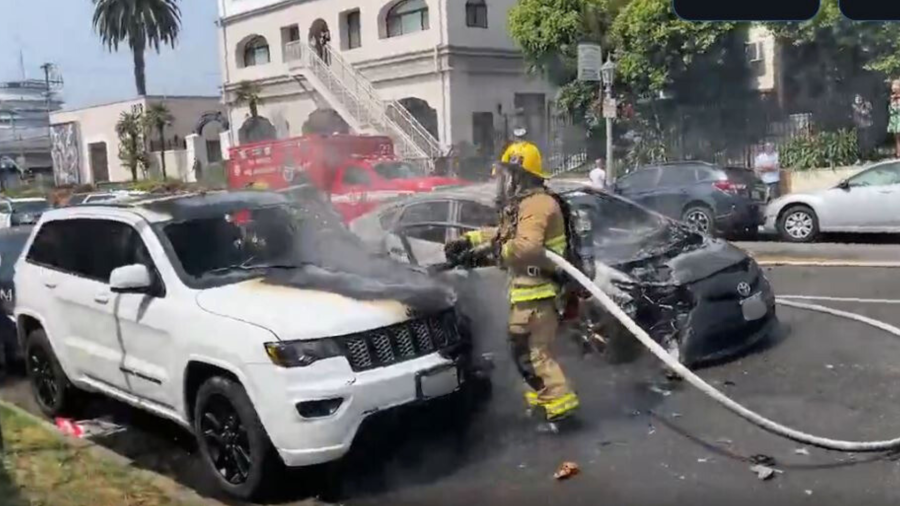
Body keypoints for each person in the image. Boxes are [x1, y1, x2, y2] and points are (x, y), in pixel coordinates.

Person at [444, 129, 580, 425]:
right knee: (525, 352)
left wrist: (492, 253)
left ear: (519, 174)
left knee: (532, 354)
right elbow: (506, 235)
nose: (500, 180)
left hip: (538, 293)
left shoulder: (537, 204)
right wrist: (470, 240)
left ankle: (561, 409)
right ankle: (544, 404)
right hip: (530, 292)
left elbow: (526, 247)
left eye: (506, 173)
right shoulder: (525, 204)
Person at [888, 80, 900, 157]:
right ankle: (898, 152)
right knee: (897, 138)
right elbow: (890, 109)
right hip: (894, 119)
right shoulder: (892, 98)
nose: (893, 89)